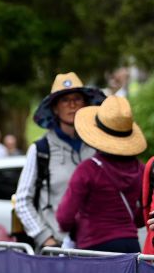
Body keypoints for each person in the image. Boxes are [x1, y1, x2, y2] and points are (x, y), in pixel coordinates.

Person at [14, 72, 105, 251]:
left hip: (96, 248)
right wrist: (45, 238)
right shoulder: (41, 150)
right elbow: (22, 200)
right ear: (55, 108)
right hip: (56, 248)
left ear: (85, 104)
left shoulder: (99, 147)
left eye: (77, 98)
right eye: (65, 100)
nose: (72, 105)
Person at [56, 96, 146, 253]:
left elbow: (64, 218)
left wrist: (81, 224)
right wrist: (125, 223)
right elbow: (145, 212)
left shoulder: (88, 170)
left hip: (94, 249)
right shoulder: (140, 169)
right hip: (131, 247)